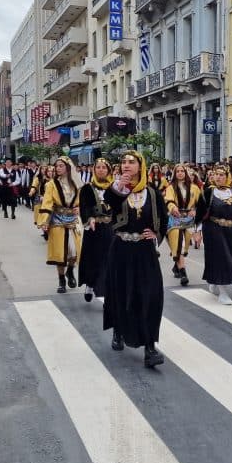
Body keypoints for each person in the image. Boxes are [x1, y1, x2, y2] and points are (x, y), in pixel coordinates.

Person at [102, 151, 167, 367]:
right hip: (121, 249)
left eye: (132, 162)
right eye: (124, 162)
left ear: (141, 166)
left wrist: (156, 235)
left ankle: (149, 346)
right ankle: (118, 331)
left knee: (151, 294)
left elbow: (163, 219)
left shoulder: (153, 193)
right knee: (121, 293)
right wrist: (122, 185)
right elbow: (108, 202)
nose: (127, 165)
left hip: (144, 251)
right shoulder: (117, 189)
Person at [195, 164, 232, 305]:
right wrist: (197, 232)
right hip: (213, 229)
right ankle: (223, 292)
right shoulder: (208, 193)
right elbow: (200, 213)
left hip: (231, 231)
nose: (218, 177)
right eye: (216, 174)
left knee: (230, 258)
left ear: (227, 177)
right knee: (222, 258)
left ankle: (213, 279)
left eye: (222, 174)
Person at [37, 157, 83, 293]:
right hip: (57, 220)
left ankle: (70, 271)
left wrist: (80, 207)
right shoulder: (51, 184)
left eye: (61, 166)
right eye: (57, 166)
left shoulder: (77, 184)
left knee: (74, 252)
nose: (58, 168)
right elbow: (47, 202)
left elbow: (84, 200)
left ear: (68, 167)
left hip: (73, 220)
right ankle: (61, 280)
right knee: (60, 253)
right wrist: (44, 220)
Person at [77, 158, 114, 302]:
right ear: (94, 169)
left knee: (108, 259)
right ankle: (90, 285)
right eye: (98, 167)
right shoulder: (87, 188)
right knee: (93, 259)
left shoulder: (113, 188)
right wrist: (89, 218)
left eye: (104, 167)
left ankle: (104, 291)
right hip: (93, 229)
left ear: (108, 170)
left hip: (110, 228)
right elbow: (84, 206)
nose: (101, 170)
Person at [162, 163, 201, 287]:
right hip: (175, 219)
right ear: (174, 173)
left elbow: (200, 203)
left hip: (189, 220)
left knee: (184, 248)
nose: (180, 173)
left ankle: (176, 266)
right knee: (178, 244)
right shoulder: (170, 187)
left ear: (185, 173)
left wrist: (194, 209)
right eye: (177, 171)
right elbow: (168, 200)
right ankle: (184, 273)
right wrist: (173, 208)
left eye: (182, 171)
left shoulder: (195, 188)